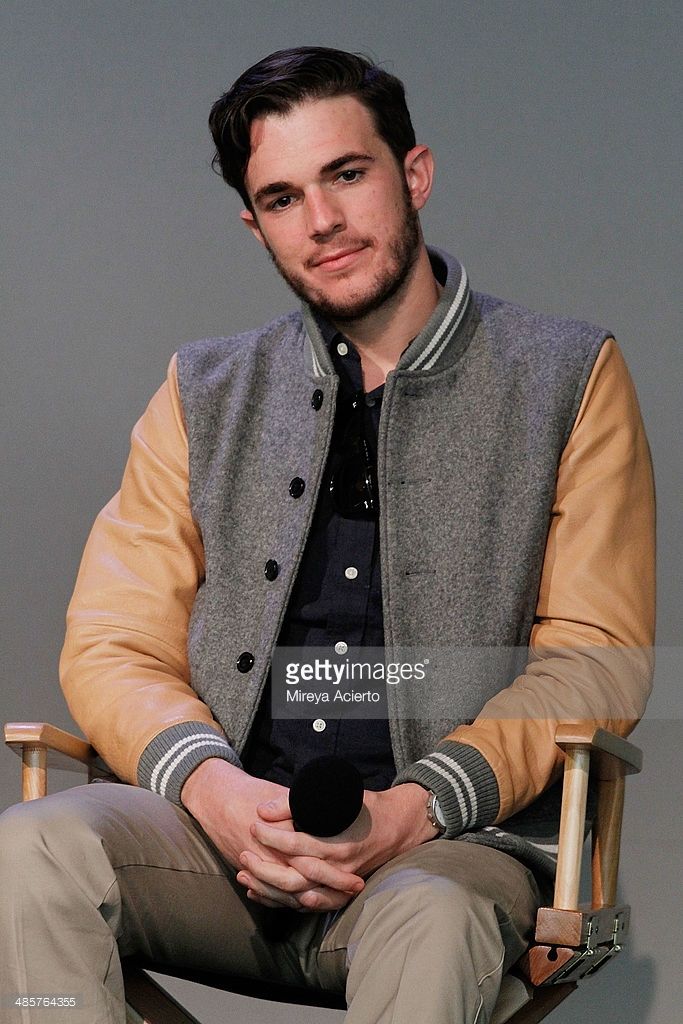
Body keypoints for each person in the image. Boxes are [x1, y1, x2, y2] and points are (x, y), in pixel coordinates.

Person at [0, 46, 655, 1024]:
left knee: (434, 919)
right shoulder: (201, 390)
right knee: (30, 851)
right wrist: (215, 793)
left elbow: (595, 658)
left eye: (345, 174)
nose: (321, 220)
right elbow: (112, 642)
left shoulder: (568, 375)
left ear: (413, 173)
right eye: (281, 197)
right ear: (254, 222)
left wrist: (418, 806)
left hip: (445, 854)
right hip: (221, 848)